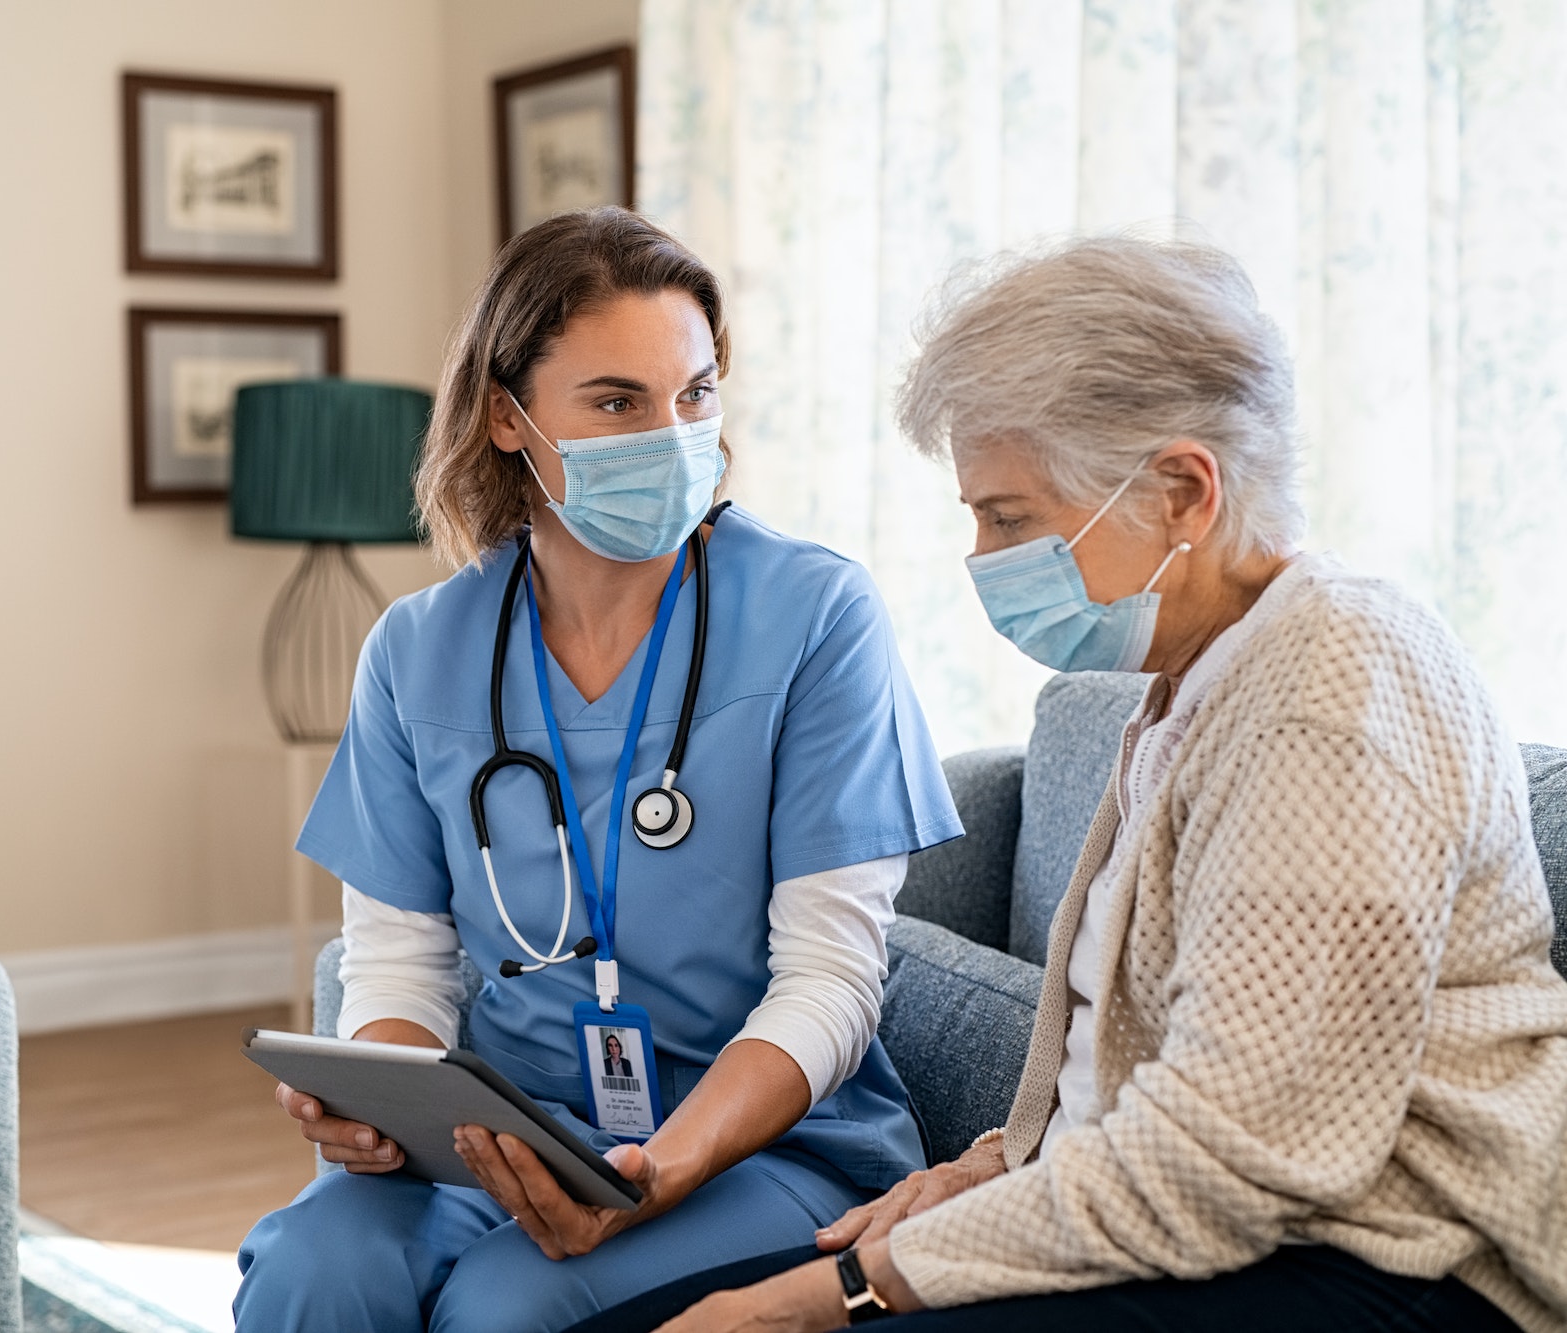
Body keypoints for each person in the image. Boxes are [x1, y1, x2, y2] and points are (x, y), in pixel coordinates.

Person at [648, 236, 1567, 1331]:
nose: (981, 558)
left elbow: (1227, 1164)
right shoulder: (1194, 678)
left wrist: (841, 1290)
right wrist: (998, 1165)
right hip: (1216, 1224)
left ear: (1181, 490)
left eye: (1009, 518)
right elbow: (1137, 1063)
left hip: (1389, 1259)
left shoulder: (1326, 697)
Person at [231, 207, 964, 1332]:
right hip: (505, 1134)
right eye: (618, 401)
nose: (672, 434)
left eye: (695, 394)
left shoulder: (813, 616)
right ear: (506, 417)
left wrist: (655, 1172)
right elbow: (397, 965)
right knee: (313, 1271)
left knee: (505, 1309)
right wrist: (378, 1103)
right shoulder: (420, 650)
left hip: (759, 1150)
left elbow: (829, 979)